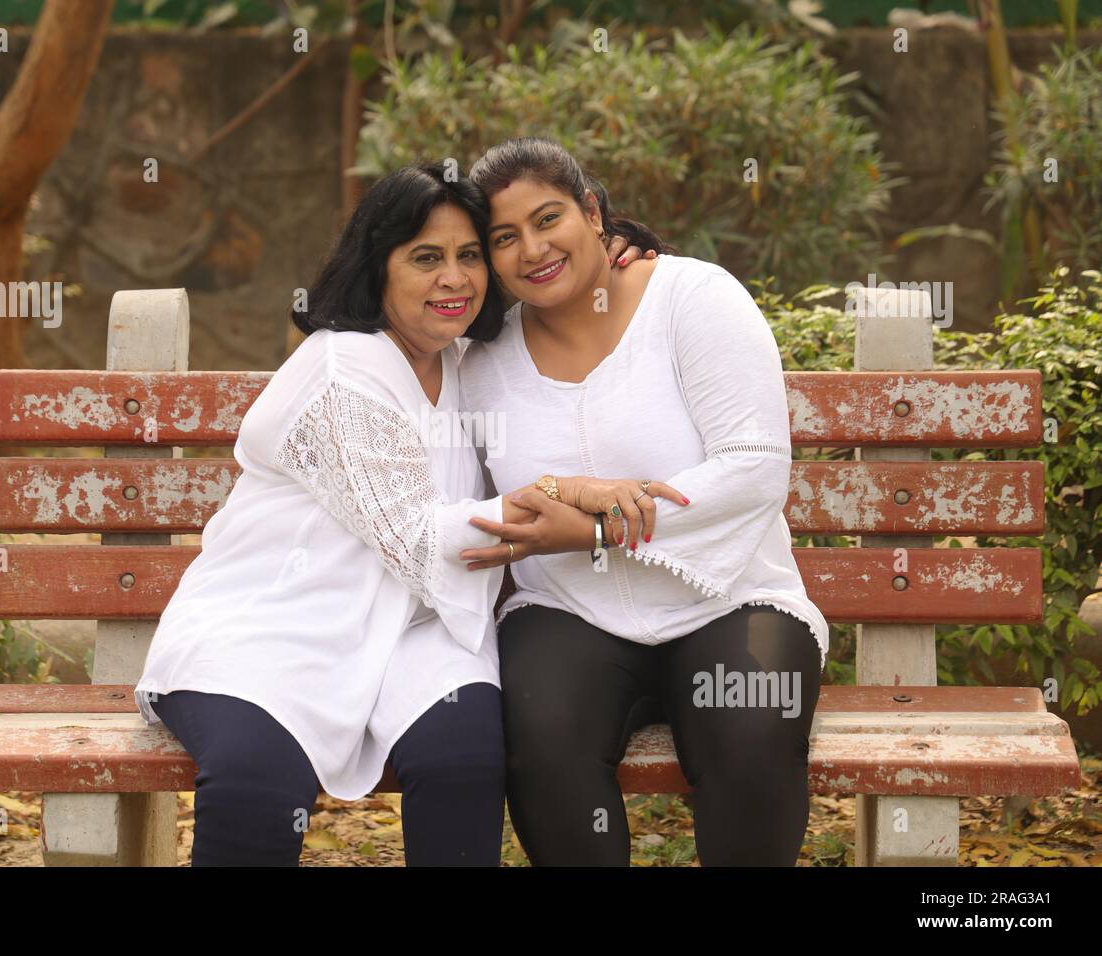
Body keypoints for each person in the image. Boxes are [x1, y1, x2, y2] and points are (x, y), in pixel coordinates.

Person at [132, 162, 681, 866]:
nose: (454, 278)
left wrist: (616, 249)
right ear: (377, 266)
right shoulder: (341, 372)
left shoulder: (467, 361)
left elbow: (555, 281)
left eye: (470, 256)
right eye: (426, 259)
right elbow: (417, 537)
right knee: (258, 782)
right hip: (272, 628)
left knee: (464, 758)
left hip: (417, 631)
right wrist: (570, 496)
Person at [456, 137, 830, 866]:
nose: (532, 249)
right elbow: (470, 503)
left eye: (548, 218)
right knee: (540, 744)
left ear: (593, 212)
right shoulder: (484, 361)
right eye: (504, 238)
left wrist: (595, 530)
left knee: (751, 736)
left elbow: (755, 467)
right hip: (570, 612)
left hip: (733, 600)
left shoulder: (694, 299)